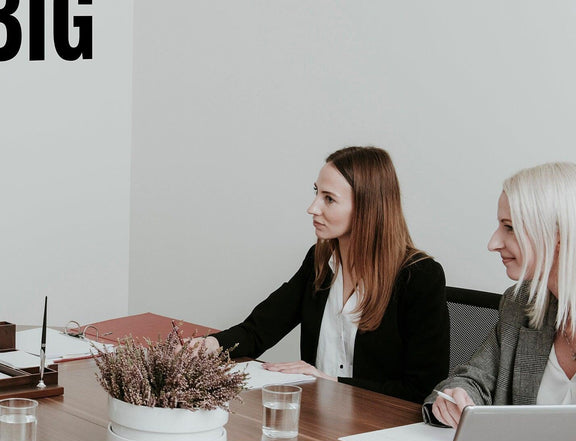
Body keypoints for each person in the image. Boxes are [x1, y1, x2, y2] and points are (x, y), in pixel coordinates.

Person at [189, 146, 449, 403]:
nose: (312, 208)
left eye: (329, 198)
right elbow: (258, 331)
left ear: (367, 208)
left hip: (379, 429)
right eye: (316, 193)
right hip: (317, 419)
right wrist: (205, 347)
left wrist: (329, 382)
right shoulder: (320, 262)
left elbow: (422, 389)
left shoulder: (420, 277)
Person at [426, 162, 576, 427]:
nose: (493, 243)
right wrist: (458, 396)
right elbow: (472, 378)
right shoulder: (520, 303)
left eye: (510, 227)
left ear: (560, 236)